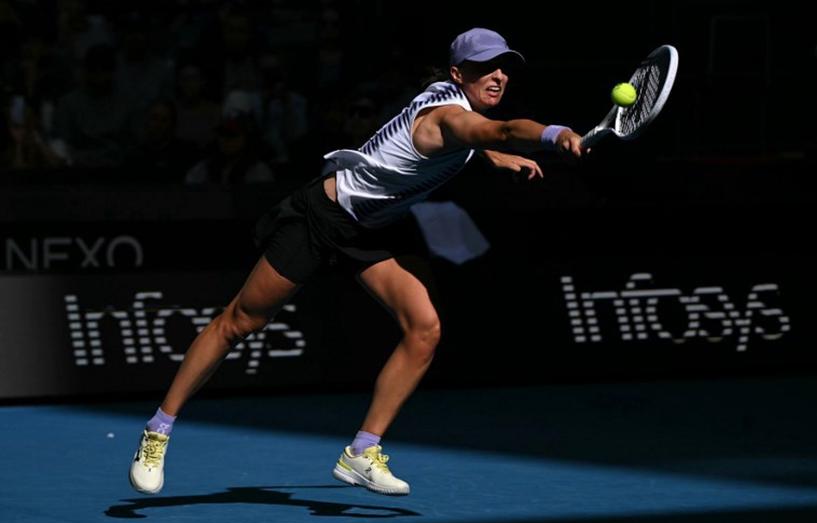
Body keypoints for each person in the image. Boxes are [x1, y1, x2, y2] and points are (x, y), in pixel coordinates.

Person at [129, 27, 583, 497]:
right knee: (239, 322)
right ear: (457, 74)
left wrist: (490, 155)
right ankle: (157, 431)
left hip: (373, 228)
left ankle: (361, 452)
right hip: (323, 217)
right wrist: (555, 134)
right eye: (484, 67)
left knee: (424, 329)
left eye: (504, 66)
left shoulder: (445, 100)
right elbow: (498, 129)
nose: (498, 75)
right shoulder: (449, 116)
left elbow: (473, 135)